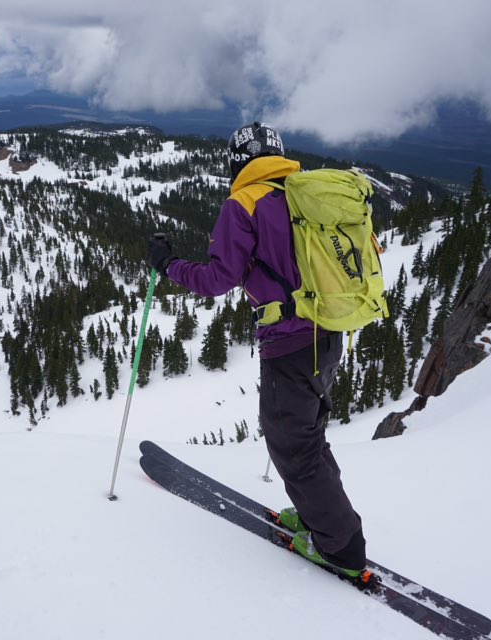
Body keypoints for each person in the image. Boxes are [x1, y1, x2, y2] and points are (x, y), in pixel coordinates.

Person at [146, 122, 369, 582]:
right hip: (329, 333)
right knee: (309, 434)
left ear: (237, 161)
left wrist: (169, 265)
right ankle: (318, 521)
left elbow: (216, 279)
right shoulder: (301, 192)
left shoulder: (244, 201)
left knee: (292, 444)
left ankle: (342, 547)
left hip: (290, 343)